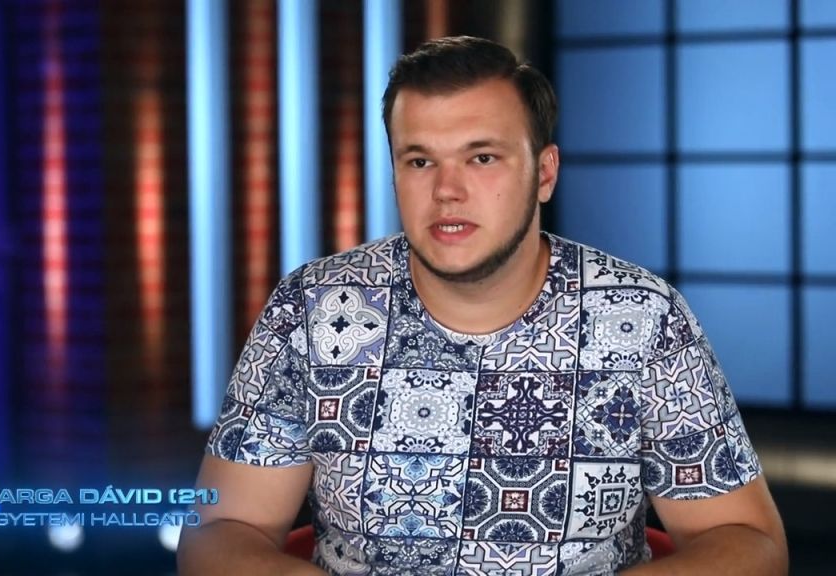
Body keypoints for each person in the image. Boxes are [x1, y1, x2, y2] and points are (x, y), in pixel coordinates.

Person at [177, 36, 787, 575]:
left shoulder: (642, 317)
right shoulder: (314, 309)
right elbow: (222, 530)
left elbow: (749, 542)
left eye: (482, 158)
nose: (447, 190)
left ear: (544, 173)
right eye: (420, 161)